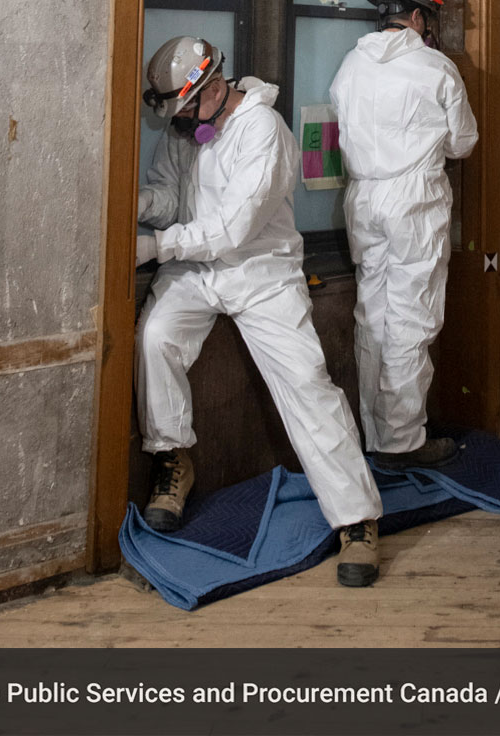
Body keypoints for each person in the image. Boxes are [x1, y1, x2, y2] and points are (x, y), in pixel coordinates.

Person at [134, 36, 383, 587]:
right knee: (154, 337)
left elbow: (231, 230)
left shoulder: (264, 133)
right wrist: (134, 206)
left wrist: (155, 247)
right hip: (198, 270)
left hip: (261, 273)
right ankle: (173, 458)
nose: (179, 125)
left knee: (307, 383)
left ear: (215, 88)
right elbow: (172, 201)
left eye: (186, 110)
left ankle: (357, 519)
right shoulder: (187, 127)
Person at [328, 0, 478, 470]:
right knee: (411, 319)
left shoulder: (351, 65)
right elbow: (463, 143)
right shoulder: (435, 67)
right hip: (413, 202)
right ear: (417, 18)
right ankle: (403, 441)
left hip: (363, 199)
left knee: (373, 313)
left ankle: (375, 434)